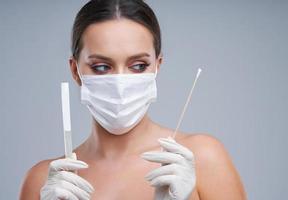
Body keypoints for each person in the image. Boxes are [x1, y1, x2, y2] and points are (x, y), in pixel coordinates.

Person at [20, 0, 247, 199]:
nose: (120, 82)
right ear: (75, 70)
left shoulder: (200, 158)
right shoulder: (45, 181)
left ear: (157, 66)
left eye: (138, 66)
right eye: (101, 67)